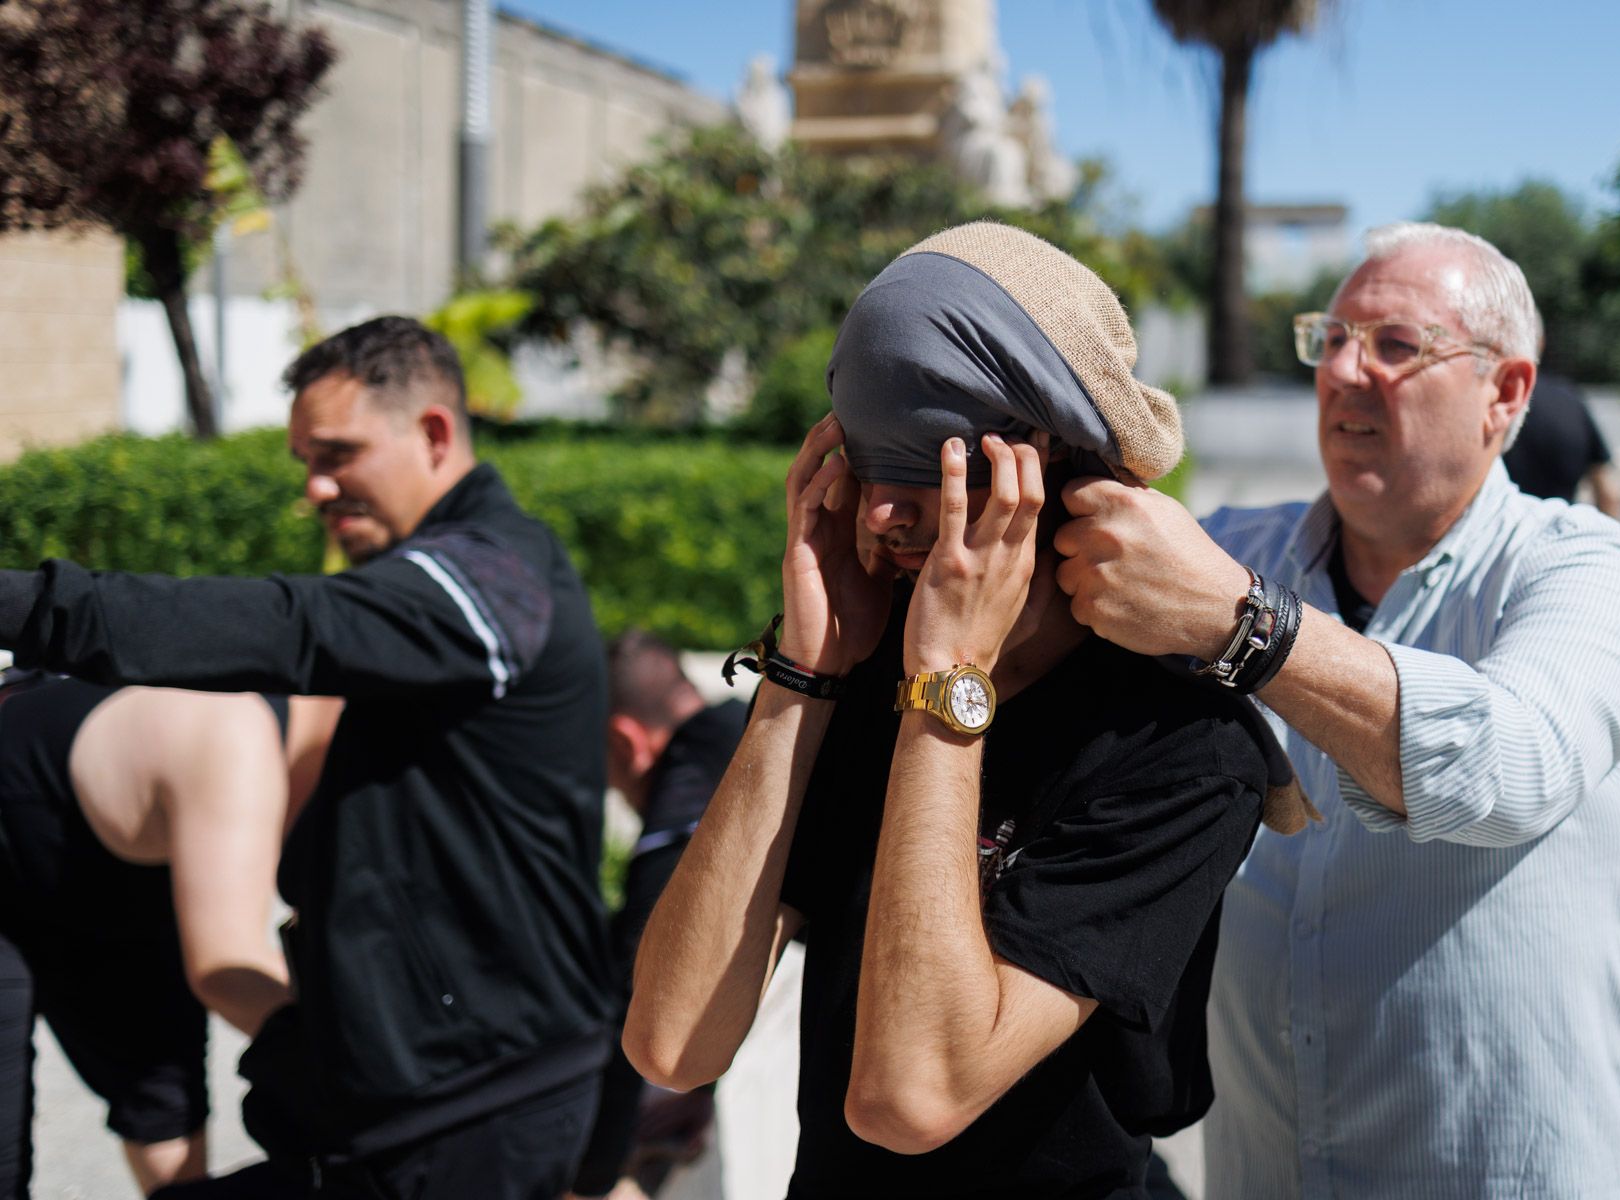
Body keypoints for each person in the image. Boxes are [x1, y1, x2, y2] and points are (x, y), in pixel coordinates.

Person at [625, 222, 1306, 1199]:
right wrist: (802, 676)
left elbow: (913, 1096)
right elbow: (672, 1039)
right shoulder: (858, 677)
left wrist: (946, 688)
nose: (881, 515)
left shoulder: (1182, 745)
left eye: (926, 468)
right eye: (868, 460)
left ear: (1046, 474)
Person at [1053, 222, 1620, 1198]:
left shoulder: (1585, 568)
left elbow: (1511, 767)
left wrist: (1244, 628)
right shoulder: (1232, 547)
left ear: (1505, 393)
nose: (1344, 370)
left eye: (1394, 345)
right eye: (1330, 338)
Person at [0, 316, 617, 1199]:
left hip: (474, 1111)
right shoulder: (449, 587)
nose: (318, 487)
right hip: (414, 1110)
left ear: (435, 433)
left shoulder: (493, 580)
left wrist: (27, 609)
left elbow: (290, 627)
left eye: (338, 453)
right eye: (304, 462)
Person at [0, 672, 340, 1196]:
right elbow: (228, 969)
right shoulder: (236, 732)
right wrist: (373, 1064)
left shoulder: (330, 753)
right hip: (27, 792)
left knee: (166, 1097)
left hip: (98, 856)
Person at [571, 630, 746, 1200]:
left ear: (625, 743)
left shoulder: (682, 817)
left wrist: (595, 1177)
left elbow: (641, 1009)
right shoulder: (749, 732)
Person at [1503, 367, 1620, 516]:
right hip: (1561, 526)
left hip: (1502, 527)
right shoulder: (1569, 398)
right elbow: (1607, 493)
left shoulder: (1497, 401)